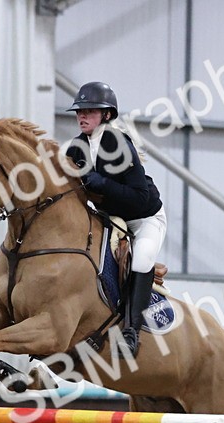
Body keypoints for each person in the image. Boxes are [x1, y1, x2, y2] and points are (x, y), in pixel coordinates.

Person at [64, 81, 165, 357]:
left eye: (90, 111)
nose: (82, 116)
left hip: (144, 219)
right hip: (111, 219)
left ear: (107, 115)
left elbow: (140, 198)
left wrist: (103, 184)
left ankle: (131, 333)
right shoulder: (76, 148)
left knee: (141, 258)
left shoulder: (119, 144)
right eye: (79, 111)